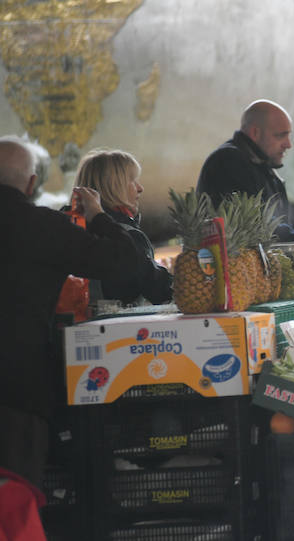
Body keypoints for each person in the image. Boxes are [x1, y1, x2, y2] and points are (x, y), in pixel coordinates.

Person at [0, 137, 147, 535]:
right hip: (17, 395)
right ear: (31, 185)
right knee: (11, 505)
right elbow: (125, 262)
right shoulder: (41, 226)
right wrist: (98, 215)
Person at [72, 149, 172, 306]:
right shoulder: (126, 234)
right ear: (113, 187)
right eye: (132, 181)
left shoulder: (73, 229)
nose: (140, 188)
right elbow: (157, 288)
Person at [196, 99, 294, 241]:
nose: (288, 144)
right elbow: (256, 225)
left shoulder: (261, 165)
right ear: (255, 133)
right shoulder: (228, 161)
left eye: (289, 135)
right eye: (280, 136)